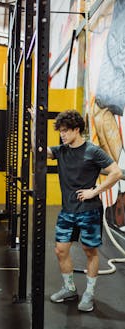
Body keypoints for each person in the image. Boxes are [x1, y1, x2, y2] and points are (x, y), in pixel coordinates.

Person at [46, 109, 122, 312]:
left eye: (65, 131)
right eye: (60, 131)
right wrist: (36, 124)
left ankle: (89, 294)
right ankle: (69, 288)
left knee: (90, 252)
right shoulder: (62, 150)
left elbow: (116, 172)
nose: (62, 134)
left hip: (89, 210)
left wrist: (94, 191)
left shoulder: (92, 151)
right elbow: (39, 151)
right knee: (60, 250)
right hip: (67, 211)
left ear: (76, 129)